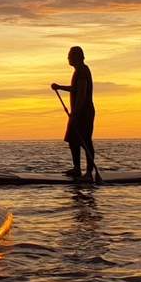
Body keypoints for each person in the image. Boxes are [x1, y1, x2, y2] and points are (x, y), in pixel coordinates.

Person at [51, 46, 97, 181]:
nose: (68, 58)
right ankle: (77, 169)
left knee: (85, 141)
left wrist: (76, 113)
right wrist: (59, 87)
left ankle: (89, 172)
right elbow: (75, 89)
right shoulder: (78, 71)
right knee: (73, 140)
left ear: (78, 57)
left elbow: (82, 93)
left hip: (84, 112)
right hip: (78, 112)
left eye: (70, 55)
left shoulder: (82, 71)